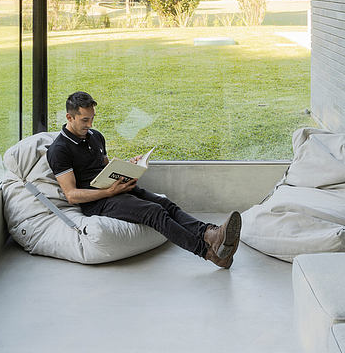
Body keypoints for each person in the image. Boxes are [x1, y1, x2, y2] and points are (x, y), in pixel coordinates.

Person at [46, 91, 241, 268]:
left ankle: (211, 234)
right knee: (154, 212)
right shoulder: (59, 150)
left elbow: (105, 167)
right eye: (84, 120)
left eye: (92, 119)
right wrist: (109, 192)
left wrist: (128, 167)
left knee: (166, 204)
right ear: (69, 117)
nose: (90, 125)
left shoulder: (95, 136)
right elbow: (71, 195)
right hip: (98, 201)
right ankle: (210, 254)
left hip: (117, 189)